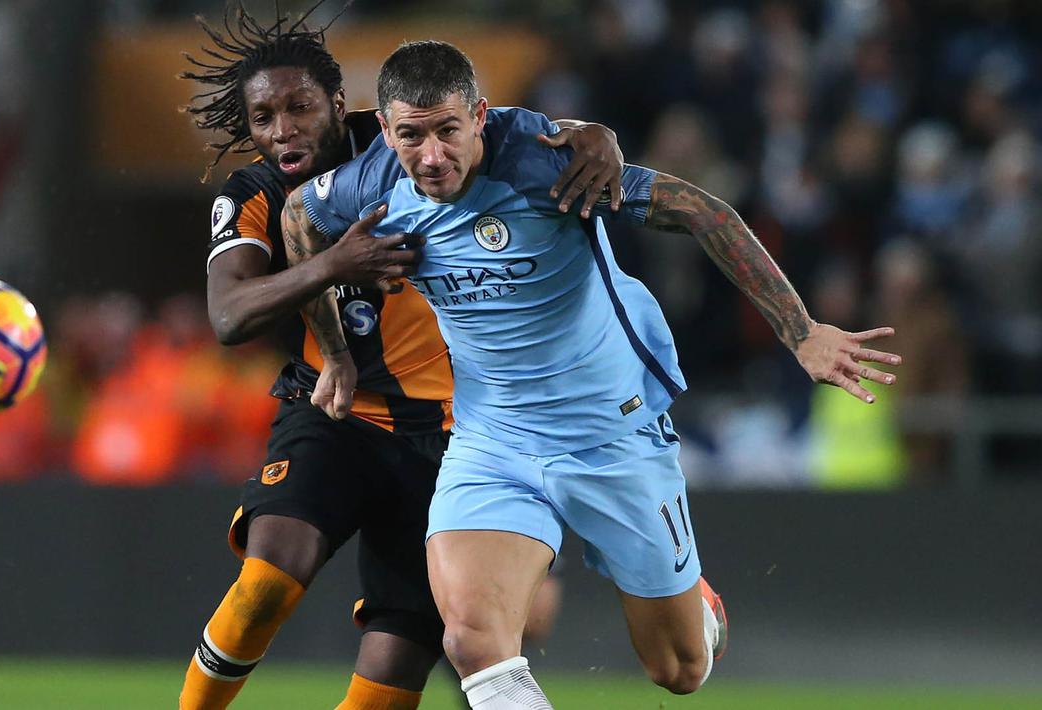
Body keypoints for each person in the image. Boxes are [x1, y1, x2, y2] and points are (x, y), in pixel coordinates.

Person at [284, 41, 902, 708]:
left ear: (479, 116)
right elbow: (298, 220)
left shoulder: (545, 163)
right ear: (384, 129)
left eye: (447, 131)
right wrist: (336, 353)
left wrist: (800, 331)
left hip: (612, 435)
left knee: (678, 670)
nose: (431, 156)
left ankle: (695, 605)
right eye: (411, 135)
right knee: (472, 642)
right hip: (493, 441)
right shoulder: (369, 186)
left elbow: (701, 211)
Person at [176, 7, 629, 709]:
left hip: (455, 436)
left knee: (394, 671)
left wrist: (595, 134)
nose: (282, 130)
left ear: (339, 104)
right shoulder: (254, 195)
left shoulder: (404, 144)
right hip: (336, 412)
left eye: (299, 108)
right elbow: (229, 315)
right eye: (263, 117)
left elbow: (499, 127)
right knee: (267, 580)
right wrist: (335, 264)